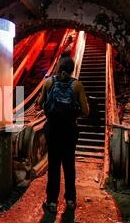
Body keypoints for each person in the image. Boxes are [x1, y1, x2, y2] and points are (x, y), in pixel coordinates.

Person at [35, 55, 89, 213]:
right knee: (69, 165)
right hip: (70, 131)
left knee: (53, 166)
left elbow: (39, 105)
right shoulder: (77, 85)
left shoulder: (49, 82)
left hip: (52, 130)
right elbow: (85, 111)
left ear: (58, 67)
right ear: (72, 70)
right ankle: (71, 200)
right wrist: (73, 112)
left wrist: (49, 107)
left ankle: (52, 202)